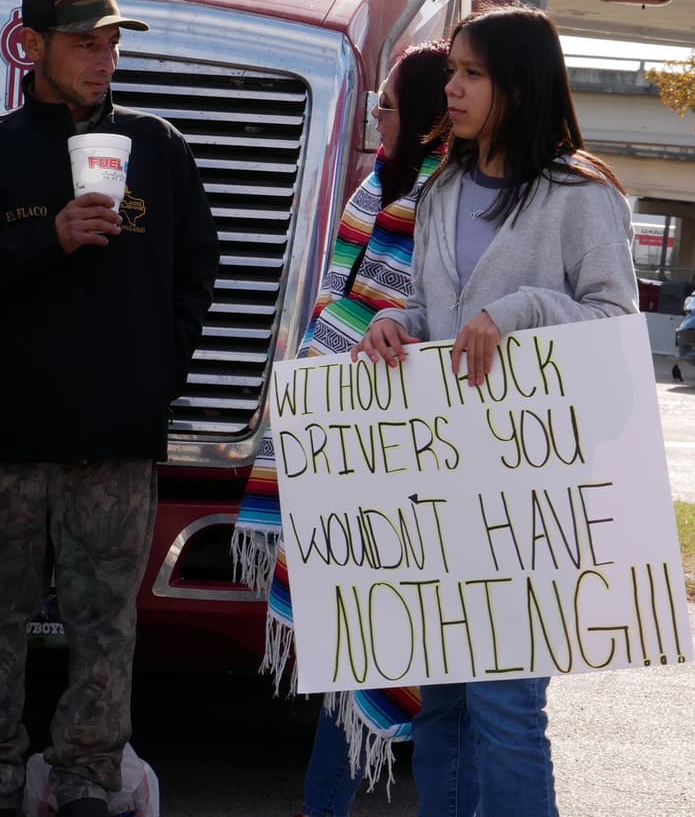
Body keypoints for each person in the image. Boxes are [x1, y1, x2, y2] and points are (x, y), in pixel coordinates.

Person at [0, 0, 219, 817]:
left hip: (118, 442)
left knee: (105, 627)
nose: (104, 56)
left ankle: (88, 783)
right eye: (85, 40)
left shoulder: (157, 149)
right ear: (31, 44)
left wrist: (157, 376)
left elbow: (200, 271)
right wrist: (46, 240)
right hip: (9, 432)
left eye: (113, 40)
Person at [352, 3, 639, 817]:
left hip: (531, 494)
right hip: (440, 486)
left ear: (518, 85)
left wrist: (522, 311)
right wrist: (392, 324)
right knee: (440, 703)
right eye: (452, 73)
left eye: (471, 74)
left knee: (509, 709)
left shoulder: (580, 196)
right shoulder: (440, 188)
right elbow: (438, 315)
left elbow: (615, 326)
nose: (452, 88)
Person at [228, 40, 450, 817]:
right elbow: (336, 299)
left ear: (421, 113)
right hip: (338, 431)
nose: (378, 116)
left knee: (381, 627)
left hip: (404, 444)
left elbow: (428, 311)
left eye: (387, 105)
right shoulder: (374, 186)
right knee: (340, 621)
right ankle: (325, 799)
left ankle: (333, 798)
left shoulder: (446, 192)